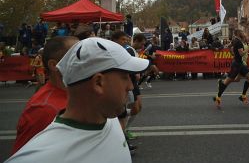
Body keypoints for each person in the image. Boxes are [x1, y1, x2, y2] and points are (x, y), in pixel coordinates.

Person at [6, 37, 149, 163]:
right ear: (98, 82)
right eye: (125, 76)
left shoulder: (108, 116)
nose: (131, 86)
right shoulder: (36, 157)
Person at [11, 36, 79, 155]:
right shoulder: (45, 110)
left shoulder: (78, 93)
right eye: (77, 55)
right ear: (54, 65)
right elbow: (23, 157)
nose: (88, 60)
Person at [213, 29, 249, 107]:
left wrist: (232, 53)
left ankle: (243, 96)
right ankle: (218, 97)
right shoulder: (238, 42)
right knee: (227, 82)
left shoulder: (234, 40)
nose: (243, 33)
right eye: (242, 32)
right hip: (236, 65)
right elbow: (242, 54)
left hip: (240, 63)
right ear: (239, 33)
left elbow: (229, 46)